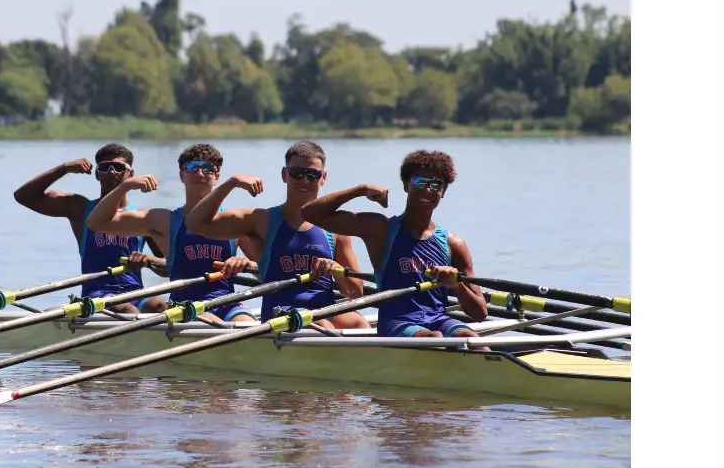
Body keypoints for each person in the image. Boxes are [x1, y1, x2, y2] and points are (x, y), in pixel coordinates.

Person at [300, 148, 487, 337]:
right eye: (420, 182)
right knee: (435, 337)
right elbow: (309, 213)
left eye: (435, 184)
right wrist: (360, 190)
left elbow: (480, 313)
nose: (427, 190)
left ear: (443, 190)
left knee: (469, 337)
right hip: (397, 323)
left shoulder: (453, 244)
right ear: (406, 185)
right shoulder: (380, 229)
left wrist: (456, 285)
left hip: (439, 319)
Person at [184, 141, 369, 329]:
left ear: (324, 177)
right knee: (322, 324)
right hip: (281, 314)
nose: (305, 181)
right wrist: (232, 183)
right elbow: (195, 224)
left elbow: (355, 292)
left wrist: (336, 269)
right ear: (284, 174)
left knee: (358, 322)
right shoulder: (261, 221)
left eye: (312, 175)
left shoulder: (334, 228)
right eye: (297, 173)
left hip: (324, 311)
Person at [85, 143, 259, 323]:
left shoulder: (233, 222)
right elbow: (95, 222)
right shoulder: (164, 221)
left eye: (207, 168)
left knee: (247, 325)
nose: (200, 173)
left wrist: (248, 264)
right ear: (182, 175)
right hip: (185, 307)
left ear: (217, 177)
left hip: (226, 303)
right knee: (215, 324)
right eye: (192, 167)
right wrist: (125, 186)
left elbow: (267, 272)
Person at [12, 143, 164, 314]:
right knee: (128, 311)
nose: (112, 172)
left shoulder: (143, 217)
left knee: (161, 305)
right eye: (105, 167)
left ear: (131, 174)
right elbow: (23, 196)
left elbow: (170, 267)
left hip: (135, 293)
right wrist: (64, 169)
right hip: (97, 295)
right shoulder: (79, 209)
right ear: (97, 174)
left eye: (119, 167)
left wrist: (149, 260)